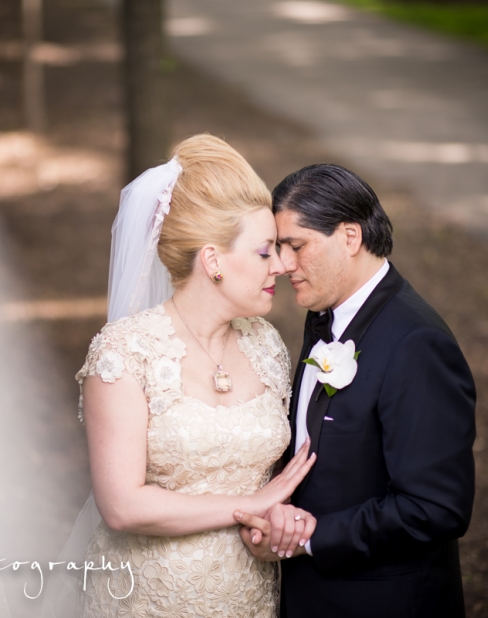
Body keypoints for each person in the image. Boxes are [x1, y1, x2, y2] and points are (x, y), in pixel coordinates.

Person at [70, 134, 317, 617]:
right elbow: (121, 507)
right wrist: (254, 502)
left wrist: (277, 519)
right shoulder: (124, 353)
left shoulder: (265, 344)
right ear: (213, 261)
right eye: (265, 251)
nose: (283, 266)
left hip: (248, 595)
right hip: (149, 596)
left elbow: (281, 474)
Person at [235, 164, 477, 617]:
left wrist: (307, 536)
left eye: (296, 246)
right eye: (279, 248)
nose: (284, 265)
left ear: (350, 237)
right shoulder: (326, 313)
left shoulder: (416, 344)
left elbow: (435, 507)